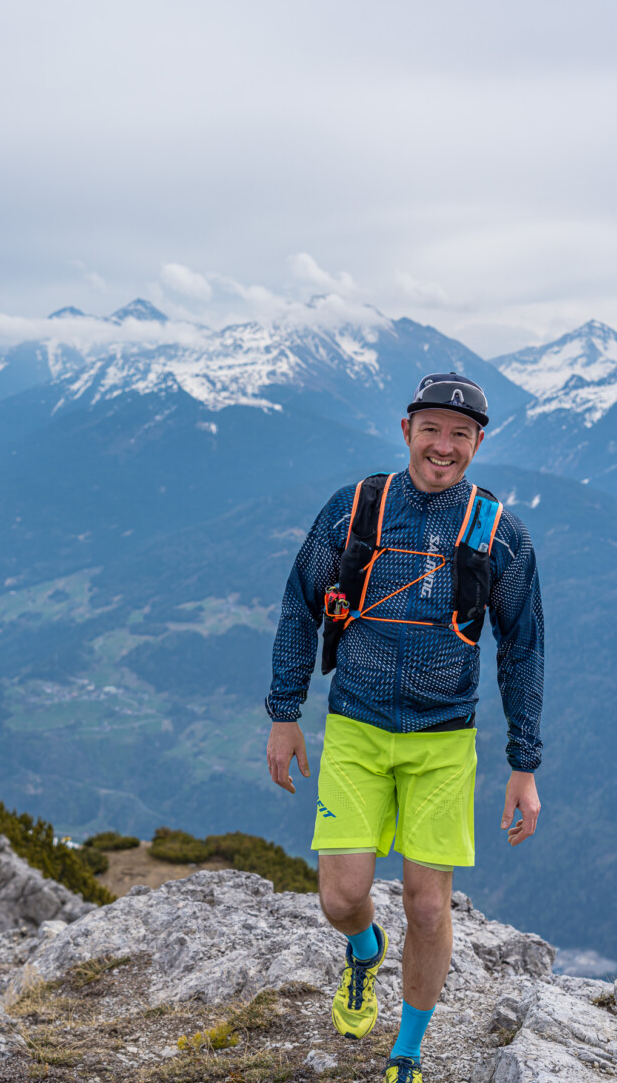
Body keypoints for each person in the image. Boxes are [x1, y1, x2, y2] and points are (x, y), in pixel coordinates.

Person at [265, 373, 543, 1083]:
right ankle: (365, 950)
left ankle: (407, 1053)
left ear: (479, 443)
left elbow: (522, 649)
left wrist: (524, 764)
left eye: (460, 434)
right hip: (355, 728)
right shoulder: (355, 508)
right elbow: (300, 605)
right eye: (431, 430)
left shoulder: (500, 532)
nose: (443, 446)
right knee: (341, 897)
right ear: (406, 430)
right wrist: (285, 714)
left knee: (426, 907)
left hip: (443, 740)